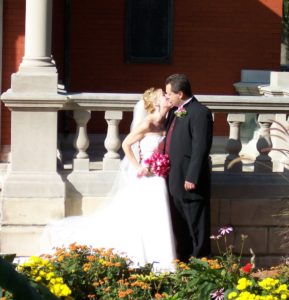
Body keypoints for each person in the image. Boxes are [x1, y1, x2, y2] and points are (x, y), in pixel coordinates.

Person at [41, 87, 176, 272]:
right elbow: (127, 144)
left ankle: (162, 260)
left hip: (159, 177)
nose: (167, 97)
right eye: (163, 95)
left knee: (159, 218)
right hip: (147, 177)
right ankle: (144, 260)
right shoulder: (147, 123)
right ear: (154, 102)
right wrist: (139, 166)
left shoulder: (167, 122)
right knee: (145, 218)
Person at [164, 74, 213, 262]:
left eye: (169, 93)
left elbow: (200, 147)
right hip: (174, 178)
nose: (167, 97)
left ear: (180, 93)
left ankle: (201, 260)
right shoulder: (175, 111)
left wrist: (192, 177)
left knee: (196, 222)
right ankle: (184, 260)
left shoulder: (200, 112)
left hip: (190, 180)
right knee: (180, 223)